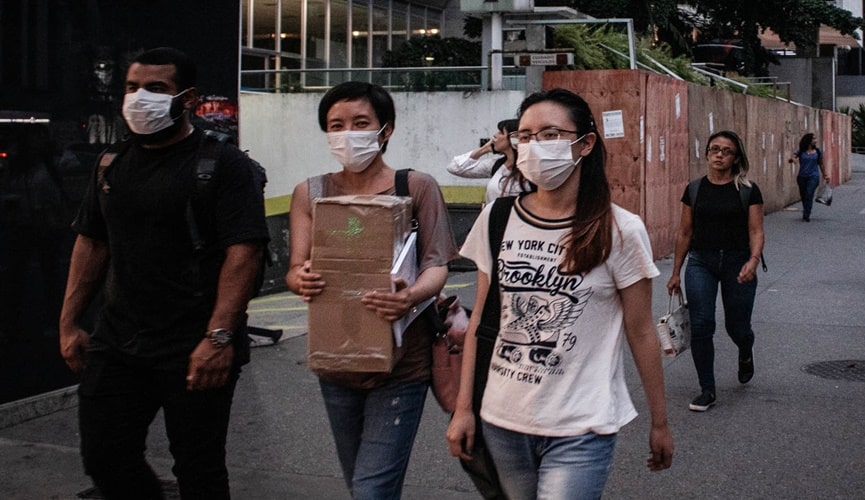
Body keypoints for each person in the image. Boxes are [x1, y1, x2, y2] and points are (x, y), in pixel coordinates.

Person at [59, 47, 269, 499]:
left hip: (192, 346)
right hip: (117, 342)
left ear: (188, 98)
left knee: (199, 469)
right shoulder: (111, 163)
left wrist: (217, 339)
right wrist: (70, 322)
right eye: (133, 87)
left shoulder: (223, 165)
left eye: (156, 89)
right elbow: (92, 242)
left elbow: (243, 254)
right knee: (104, 457)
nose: (140, 98)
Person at [445, 88, 674, 499]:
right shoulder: (497, 219)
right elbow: (480, 319)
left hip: (580, 424)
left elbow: (640, 332)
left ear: (585, 144)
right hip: (502, 418)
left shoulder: (620, 230)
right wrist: (464, 409)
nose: (534, 147)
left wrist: (660, 421)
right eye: (526, 136)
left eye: (549, 134)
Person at [286, 81, 459, 499]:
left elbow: (438, 264)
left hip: (402, 364)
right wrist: (301, 279)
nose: (348, 134)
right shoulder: (311, 193)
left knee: (371, 490)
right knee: (361, 485)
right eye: (336, 125)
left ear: (386, 130)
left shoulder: (415, 187)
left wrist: (411, 296)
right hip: (336, 362)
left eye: (360, 123)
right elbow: (295, 268)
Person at [667, 130, 765, 412]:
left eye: (727, 151)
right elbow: (684, 233)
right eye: (715, 149)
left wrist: (754, 260)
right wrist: (675, 272)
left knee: (737, 326)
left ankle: (745, 349)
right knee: (701, 324)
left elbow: (757, 230)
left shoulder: (748, 190)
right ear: (707, 153)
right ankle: (707, 389)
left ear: (736, 158)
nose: (719, 155)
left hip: (739, 263)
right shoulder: (695, 189)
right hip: (701, 262)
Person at [445, 119, 533, 204]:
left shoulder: (534, 169)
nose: (495, 135)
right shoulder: (496, 165)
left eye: (501, 133)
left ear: (514, 138)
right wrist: (485, 149)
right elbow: (454, 168)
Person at [789, 132, 829, 222]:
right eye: (813, 139)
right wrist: (793, 159)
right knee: (803, 195)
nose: (815, 140)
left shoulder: (818, 152)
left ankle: (807, 213)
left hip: (813, 176)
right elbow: (792, 158)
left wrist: (825, 175)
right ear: (808, 141)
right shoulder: (801, 151)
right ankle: (805, 209)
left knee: (809, 193)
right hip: (802, 177)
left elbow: (821, 164)